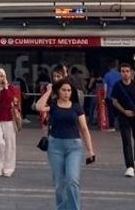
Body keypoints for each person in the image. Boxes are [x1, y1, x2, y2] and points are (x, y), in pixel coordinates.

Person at [35, 80, 96, 210]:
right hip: (55, 146)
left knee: (72, 180)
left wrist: (90, 150)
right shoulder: (53, 106)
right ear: (58, 91)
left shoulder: (76, 107)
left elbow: (84, 129)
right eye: (63, 90)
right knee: (59, 183)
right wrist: (49, 90)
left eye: (69, 90)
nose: (67, 93)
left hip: (74, 147)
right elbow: (39, 107)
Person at [110, 63, 135, 177]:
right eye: (123, 71)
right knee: (126, 141)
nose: (125, 73)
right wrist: (124, 111)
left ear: (131, 72)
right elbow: (114, 101)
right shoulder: (117, 85)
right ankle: (129, 166)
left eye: (127, 71)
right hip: (124, 116)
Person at [0, 67, 21, 178]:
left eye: (1, 76)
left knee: (10, 144)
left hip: (8, 118)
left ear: (5, 77)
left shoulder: (11, 88)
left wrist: (6, 88)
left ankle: (9, 168)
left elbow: (9, 102)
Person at [102, 60, 121, 130]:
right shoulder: (120, 74)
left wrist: (104, 96)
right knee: (119, 111)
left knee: (111, 111)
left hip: (110, 95)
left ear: (109, 68)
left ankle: (112, 126)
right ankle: (119, 125)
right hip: (119, 96)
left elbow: (105, 86)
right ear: (116, 67)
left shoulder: (107, 75)